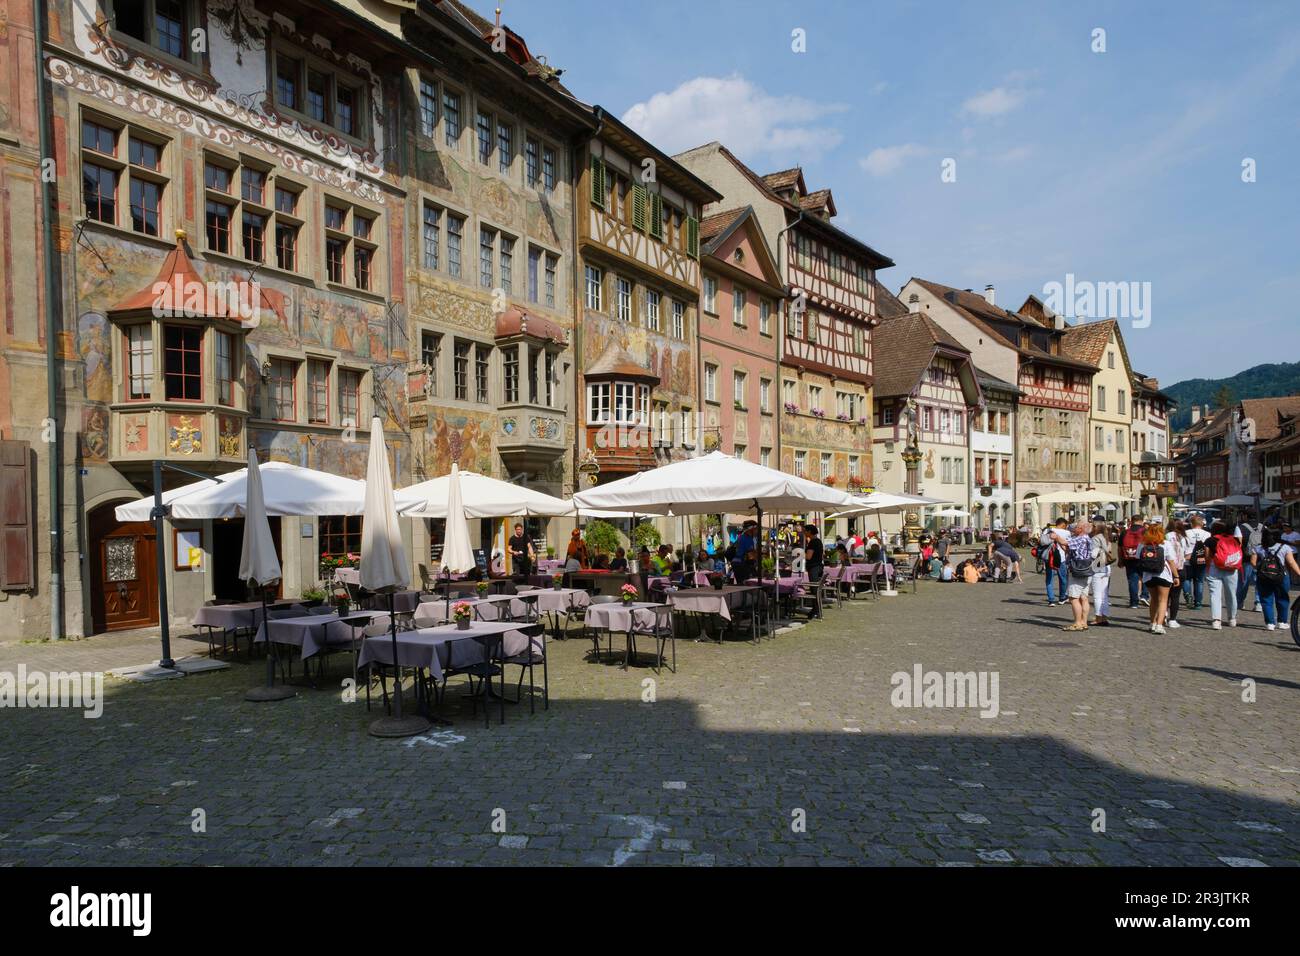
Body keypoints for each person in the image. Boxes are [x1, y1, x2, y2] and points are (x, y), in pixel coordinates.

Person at [1251, 527, 1300, 631]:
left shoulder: (1259, 548)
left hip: (1264, 577)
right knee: (1282, 598)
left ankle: (1270, 623)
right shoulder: (1285, 547)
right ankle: (1282, 622)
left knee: (1266, 599)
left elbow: (1253, 562)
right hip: (1281, 576)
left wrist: (1260, 569)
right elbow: (1291, 562)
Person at [1135, 521, 1179, 635]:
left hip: (1148, 576)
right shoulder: (1166, 543)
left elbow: (1137, 558)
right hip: (1163, 574)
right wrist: (1176, 576)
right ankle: (1159, 625)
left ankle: (1152, 623)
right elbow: (1171, 561)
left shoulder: (1142, 544)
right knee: (1163, 600)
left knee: (1153, 600)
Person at [1205, 520, 1243, 630]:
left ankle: (1216, 620)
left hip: (1214, 568)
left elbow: (1207, 556)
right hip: (1231, 568)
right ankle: (1232, 618)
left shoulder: (1210, 540)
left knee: (1215, 594)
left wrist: (1208, 566)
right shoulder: (1234, 539)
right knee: (1231, 594)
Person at [1062, 519, 1095, 631]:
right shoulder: (1088, 539)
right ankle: (1084, 622)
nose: (1074, 529)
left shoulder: (1081, 538)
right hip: (1087, 569)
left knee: (1073, 598)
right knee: (1084, 597)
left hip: (1078, 570)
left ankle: (1077, 623)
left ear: (1080, 529)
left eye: (1076, 527)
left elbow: (1066, 543)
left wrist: (1056, 537)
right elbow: (1070, 549)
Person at [1234, 518, 1265, 613]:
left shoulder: (1240, 527)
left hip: (1246, 558)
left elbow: (1237, 543)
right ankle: (1258, 603)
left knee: (1243, 581)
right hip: (1261, 558)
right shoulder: (1262, 526)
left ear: (1245, 515)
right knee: (1259, 582)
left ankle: (1239, 602)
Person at [1118, 514, 1148, 608]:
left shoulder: (1125, 532)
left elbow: (1119, 547)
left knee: (1132, 580)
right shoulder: (1145, 531)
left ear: (1131, 521)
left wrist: (1120, 559)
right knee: (1146, 578)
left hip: (1129, 558)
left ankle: (1134, 603)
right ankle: (1144, 595)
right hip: (1143, 558)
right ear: (1142, 521)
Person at [1164, 520, 1189, 629]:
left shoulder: (1165, 536)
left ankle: (1163, 615)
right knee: (1175, 596)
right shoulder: (1184, 538)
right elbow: (1187, 555)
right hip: (1180, 569)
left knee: (1164, 596)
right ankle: (1172, 620)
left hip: (1167, 569)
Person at [1088, 521, 1114, 626]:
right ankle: (1104, 616)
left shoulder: (1095, 538)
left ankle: (1098, 617)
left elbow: (1093, 554)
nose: (1092, 527)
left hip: (1098, 567)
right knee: (1104, 595)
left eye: (1093, 526)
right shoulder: (1106, 538)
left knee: (1097, 595)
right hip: (1106, 567)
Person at [1183, 514, 1211, 609]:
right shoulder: (1207, 534)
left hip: (1187, 560)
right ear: (1202, 524)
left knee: (1187, 579)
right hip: (1201, 560)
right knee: (1199, 581)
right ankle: (1198, 602)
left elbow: (1183, 546)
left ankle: (1188, 596)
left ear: (1191, 524)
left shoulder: (1186, 533)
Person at [1040, 519, 1069, 606]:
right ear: (1063, 525)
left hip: (1049, 557)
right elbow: (1068, 545)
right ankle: (1062, 597)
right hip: (1062, 559)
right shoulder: (1067, 533)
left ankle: (1051, 600)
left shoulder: (1047, 530)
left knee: (1049, 579)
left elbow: (1041, 541)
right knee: (1063, 579)